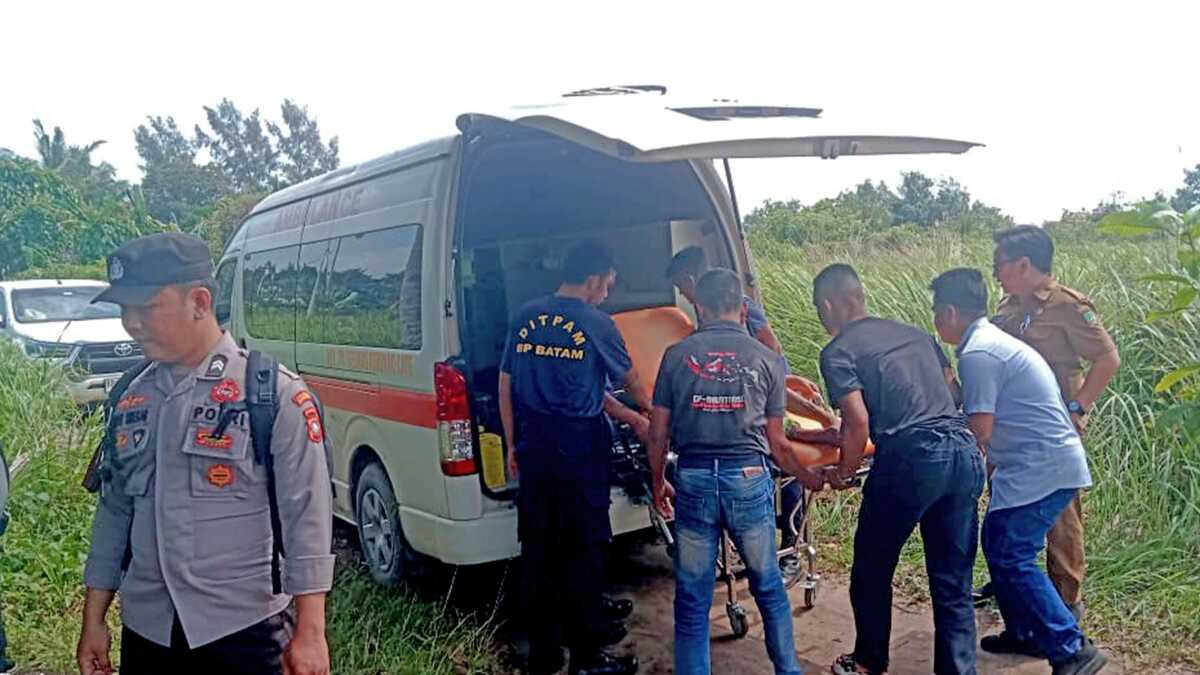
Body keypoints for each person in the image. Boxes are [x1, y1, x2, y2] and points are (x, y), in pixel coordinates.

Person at [76, 233, 334, 675]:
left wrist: (311, 632)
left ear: (199, 301)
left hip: (244, 628)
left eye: (146, 307)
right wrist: (94, 618)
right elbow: (115, 512)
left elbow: (306, 515)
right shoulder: (131, 397)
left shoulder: (271, 393)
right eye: (124, 310)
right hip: (148, 629)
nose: (132, 323)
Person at [646, 268, 825, 675]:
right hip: (747, 479)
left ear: (699, 307)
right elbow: (778, 443)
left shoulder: (676, 356)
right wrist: (810, 477)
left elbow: (657, 432)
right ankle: (788, 670)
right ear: (743, 309)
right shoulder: (767, 359)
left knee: (692, 596)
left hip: (693, 479)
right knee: (768, 586)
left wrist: (657, 482)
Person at [931, 268, 1107, 675]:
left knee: (1011, 552)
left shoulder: (979, 353)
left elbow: (980, 430)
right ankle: (1026, 631)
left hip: (1043, 465)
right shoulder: (986, 343)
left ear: (951, 312)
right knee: (1000, 542)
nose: (936, 320)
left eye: (937, 311)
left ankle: (1073, 649)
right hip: (1034, 463)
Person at [812, 264, 983, 675]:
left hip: (911, 459)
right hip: (963, 452)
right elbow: (953, 393)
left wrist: (844, 473)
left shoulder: (838, 351)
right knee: (953, 579)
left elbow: (857, 422)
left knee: (872, 566)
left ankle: (868, 661)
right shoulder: (917, 335)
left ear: (828, 305)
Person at [500, 240, 648, 675]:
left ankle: (544, 655)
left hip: (534, 443)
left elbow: (506, 384)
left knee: (540, 548)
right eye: (608, 284)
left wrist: (511, 444)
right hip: (579, 447)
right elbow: (633, 383)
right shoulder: (596, 322)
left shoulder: (525, 316)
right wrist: (651, 413)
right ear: (594, 279)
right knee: (584, 548)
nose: (607, 293)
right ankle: (588, 657)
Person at [666, 246, 832, 576]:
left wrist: (782, 390)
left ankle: (791, 547)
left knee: (783, 455)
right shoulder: (708, 316)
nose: (682, 294)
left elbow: (771, 350)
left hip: (764, 396)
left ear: (691, 280)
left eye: (681, 287)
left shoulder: (740, 307)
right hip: (749, 396)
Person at [986, 225, 1120, 621]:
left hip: (1052, 425)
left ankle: (1065, 599)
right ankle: (1013, 580)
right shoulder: (1009, 306)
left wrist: (1077, 409)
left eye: (1000, 264)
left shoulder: (1068, 306)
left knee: (1060, 513)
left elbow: (1107, 359)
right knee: (1006, 498)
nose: (996, 273)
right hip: (1011, 424)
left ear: (1024, 264)